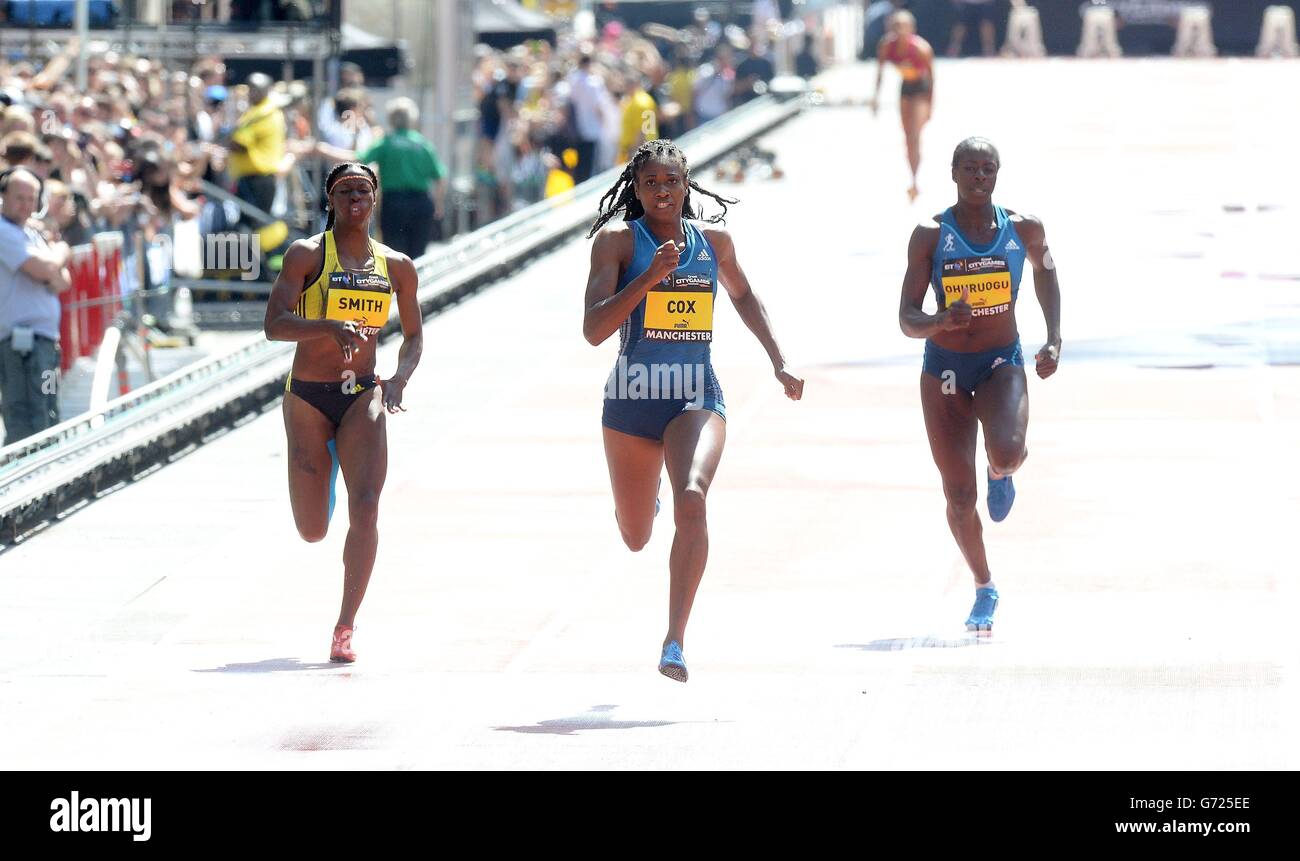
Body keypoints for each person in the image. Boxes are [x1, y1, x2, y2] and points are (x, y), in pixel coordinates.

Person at [582, 140, 804, 681]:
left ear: (687, 185)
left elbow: (745, 297)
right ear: (636, 190)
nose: (663, 191)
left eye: (673, 181)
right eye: (652, 182)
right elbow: (593, 330)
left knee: (693, 498)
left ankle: (674, 640)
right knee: (635, 536)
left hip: (694, 394)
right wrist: (648, 278)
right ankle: (643, 501)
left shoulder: (714, 242)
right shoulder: (616, 242)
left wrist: (778, 358)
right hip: (632, 398)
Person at [897, 137, 1062, 633]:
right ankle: (984, 585)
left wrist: (1054, 338)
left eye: (987, 169)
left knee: (1009, 452)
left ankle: (1000, 469)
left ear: (997, 174)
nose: (979, 177)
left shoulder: (1024, 228)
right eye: (970, 168)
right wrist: (939, 321)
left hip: (999, 361)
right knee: (959, 497)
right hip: (944, 369)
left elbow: (1047, 272)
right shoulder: (930, 235)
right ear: (953, 173)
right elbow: (906, 317)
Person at [262, 162, 424, 662]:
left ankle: (345, 625)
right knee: (312, 530)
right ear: (330, 201)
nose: (355, 199)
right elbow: (274, 324)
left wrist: (398, 378)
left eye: (363, 191)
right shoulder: (307, 254)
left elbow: (414, 335)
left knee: (369, 503)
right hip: (309, 397)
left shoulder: (396, 265)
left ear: (375, 200)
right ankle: (323, 473)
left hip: (362, 395)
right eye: (345, 191)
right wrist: (327, 326)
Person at [0, 167, 71, 444]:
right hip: (21, 346)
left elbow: (62, 281)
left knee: (47, 411)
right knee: (26, 417)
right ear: (3, 196)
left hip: (44, 343)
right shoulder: (4, 231)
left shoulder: (30, 233)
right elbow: (46, 269)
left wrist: (52, 264)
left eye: (32, 199)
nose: (26, 205)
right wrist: (61, 251)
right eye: (20, 198)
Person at [870, 10, 935, 202]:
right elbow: (880, 71)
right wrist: (875, 97)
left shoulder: (921, 49)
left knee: (914, 135)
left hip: (921, 88)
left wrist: (931, 106)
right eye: (896, 27)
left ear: (912, 29)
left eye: (904, 27)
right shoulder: (886, 46)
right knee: (907, 136)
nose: (900, 32)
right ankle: (912, 175)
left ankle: (915, 181)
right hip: (906, 87)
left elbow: (932, 78)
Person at [227, 73, 285, 219]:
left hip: (257, 179)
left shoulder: (263, 113)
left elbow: (239, 144)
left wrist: (225, 138)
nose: (252, 93)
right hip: (257, 178)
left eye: (257, 89)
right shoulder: (263, 111)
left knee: (252, 226)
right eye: (251, 89)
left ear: (266, 90)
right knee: (255, 225)